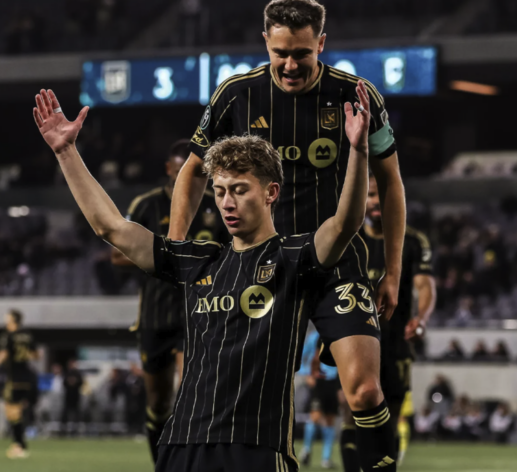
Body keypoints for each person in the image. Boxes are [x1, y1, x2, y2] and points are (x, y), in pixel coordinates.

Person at [33, 81, 376, 471]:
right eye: (220, 190)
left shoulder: (295, 257)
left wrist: (359, 151)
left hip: (256, 448)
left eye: (240, 190)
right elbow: (111, 228)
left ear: (271, 192)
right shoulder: (198, 262)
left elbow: (346, 223)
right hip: (182, 446)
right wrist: (66, 152)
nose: (227, 202)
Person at [170, 2, 406, 469]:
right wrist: (179, 250)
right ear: (265, 42)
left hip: (332, 259)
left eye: (302, 52)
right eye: (281, 52)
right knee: (243, 401)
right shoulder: (237, 94)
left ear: (321, 42)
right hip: (259, 268)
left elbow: (392, 181)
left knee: (365, 390)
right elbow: (194, 171)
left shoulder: (357, 96)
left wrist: (393, 269)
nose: (291, 64)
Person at [111, 139, 228, 463]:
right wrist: (159, 254)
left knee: (192, 396)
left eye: (193, 172)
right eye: (179, 172)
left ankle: (195, 462)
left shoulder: (214, 205)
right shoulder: (147, 205)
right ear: (168, 169)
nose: (185, 179)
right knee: (158, 404)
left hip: (197, 313)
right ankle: (160, 464)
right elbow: (116, 254)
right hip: (154, 315)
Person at [351, 175, 435, 467]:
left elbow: (425, 286)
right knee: (352, 416)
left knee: (391, 418)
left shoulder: (412, 241)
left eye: (382, 195)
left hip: (396, 342)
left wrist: (421, 319)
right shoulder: (349, 240)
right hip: (353, 344)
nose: (376, 202)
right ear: (360, 199)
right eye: (371, 195)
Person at [299, 328, 341, 469]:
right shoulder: (315, 337)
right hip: (319, 380)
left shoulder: (340, 335)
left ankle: (326, 459)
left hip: (334, 381)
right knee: (315, 416)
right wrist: (307, 374)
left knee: (330, 419)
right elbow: (303, 355)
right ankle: (306, 450)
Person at [0, 309, 38, 459]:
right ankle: (20, 443)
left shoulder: (8, 336)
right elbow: (36, 355)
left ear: (13, 320)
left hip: (14, 378)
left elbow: (3, 354)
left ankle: (19, 445)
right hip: (28, 376)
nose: (5, 319)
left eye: (7, 317)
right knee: (18, 411)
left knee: (11, 411)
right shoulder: (28, 335)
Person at [61, 358, 83, 437]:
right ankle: (63, 431)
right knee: (65, 415)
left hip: (76, 397)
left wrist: (74, 382)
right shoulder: (67, 373)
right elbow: (64, 383)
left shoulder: (78, 373)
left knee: (76, 415)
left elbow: (81, 383)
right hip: (68, 397)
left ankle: (75, 431)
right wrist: (70, 381)